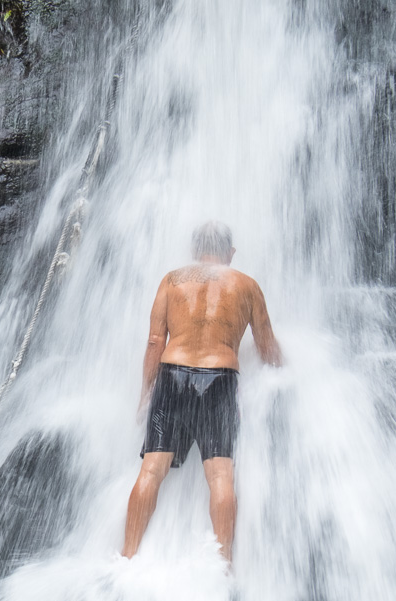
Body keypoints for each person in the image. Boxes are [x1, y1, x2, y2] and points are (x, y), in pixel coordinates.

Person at [121, 221, 283, 560]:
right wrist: (289, 377)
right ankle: (223, 569)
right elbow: (268, 350)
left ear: (194, 251)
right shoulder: (247, 285)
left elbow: (154, 342)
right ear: (231, 253)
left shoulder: (171, 279)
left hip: (172, 376)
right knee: (221, 475)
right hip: (219, 379)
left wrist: (146, 393)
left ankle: (127, 556)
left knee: (151, 469)